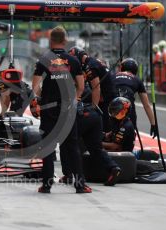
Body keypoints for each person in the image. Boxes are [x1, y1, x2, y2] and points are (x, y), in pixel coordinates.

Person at [32, 26, 91, 194]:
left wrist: (43, 98)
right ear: (65, 41)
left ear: (51, 41)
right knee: (72, 147)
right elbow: (81, 86)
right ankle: (80, 185)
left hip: (48, 109)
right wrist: (75, 99)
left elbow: (35, 86)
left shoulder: (43, 60)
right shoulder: (73, 61)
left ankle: (47, 185)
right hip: (67, 109)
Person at [68, 46, 117, 132]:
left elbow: (96, 88)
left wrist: (94, 109)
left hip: (107, 100)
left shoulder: (90, 66)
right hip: (109, 96)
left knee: (103, 126)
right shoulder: (92, 62)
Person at [114, 58, 157, 138]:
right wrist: (153, 124)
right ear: (135, 70)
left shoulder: (113, 76)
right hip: (128, 110)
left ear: (122, 67)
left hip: (112, 108)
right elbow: (146, 105)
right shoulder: (137, 80)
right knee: (128, 136)